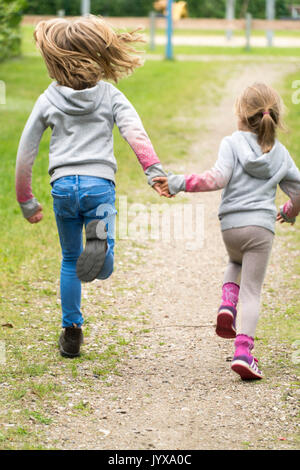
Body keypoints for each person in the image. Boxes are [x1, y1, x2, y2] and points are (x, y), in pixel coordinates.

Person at [15, 16, 168, 358]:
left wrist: (26, 200)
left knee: (70, 259)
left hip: (63, 188)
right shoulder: (110, 95)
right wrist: (153, 170)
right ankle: (102, 252)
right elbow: (135, 134)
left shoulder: (48, 99)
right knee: (103, 259)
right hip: (99, 188)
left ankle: (71, 332)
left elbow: (27, 150)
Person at [154, 82, 300, 380]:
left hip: (230, 227)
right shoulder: (281, 155)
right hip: (260, 229)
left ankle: (226, 303)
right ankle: (244, 352)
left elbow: (215, 179)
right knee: (253, 291)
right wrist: (287, 212)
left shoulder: (231, 143)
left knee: (235, 262)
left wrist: (179, 182)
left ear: (240, 115)